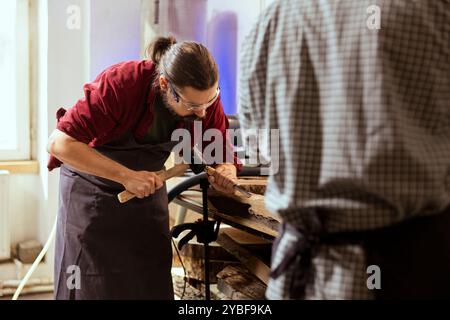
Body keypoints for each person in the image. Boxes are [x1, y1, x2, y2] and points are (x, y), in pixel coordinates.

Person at [239, 0, 450, 299]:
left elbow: (259, 150)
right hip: (404, 270)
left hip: (295, 277)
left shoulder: (271, 20)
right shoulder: (434, 10)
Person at [47, 36, 241, 300]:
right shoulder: (121, 84)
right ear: (164, 85)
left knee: (150, 276)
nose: (202, 114)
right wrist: (125, 176)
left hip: (147, 187)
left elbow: (218, 151)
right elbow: (60, 143)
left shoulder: (202, 100)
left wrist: (227, 169)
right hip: (92, 189)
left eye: (210, 101)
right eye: (193, 106)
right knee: (90, 282)